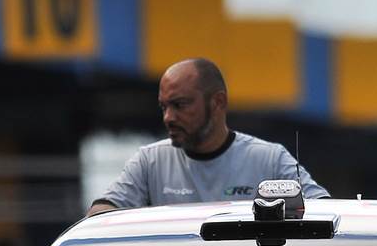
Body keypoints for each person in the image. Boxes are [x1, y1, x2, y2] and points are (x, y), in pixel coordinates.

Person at [88, 58, 325, 214]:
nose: (168, 117)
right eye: (164, 107)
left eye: (180, 105)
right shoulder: (149, 162)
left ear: (218, 102)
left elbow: (325, 209)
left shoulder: (270, 160)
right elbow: (99, 216)